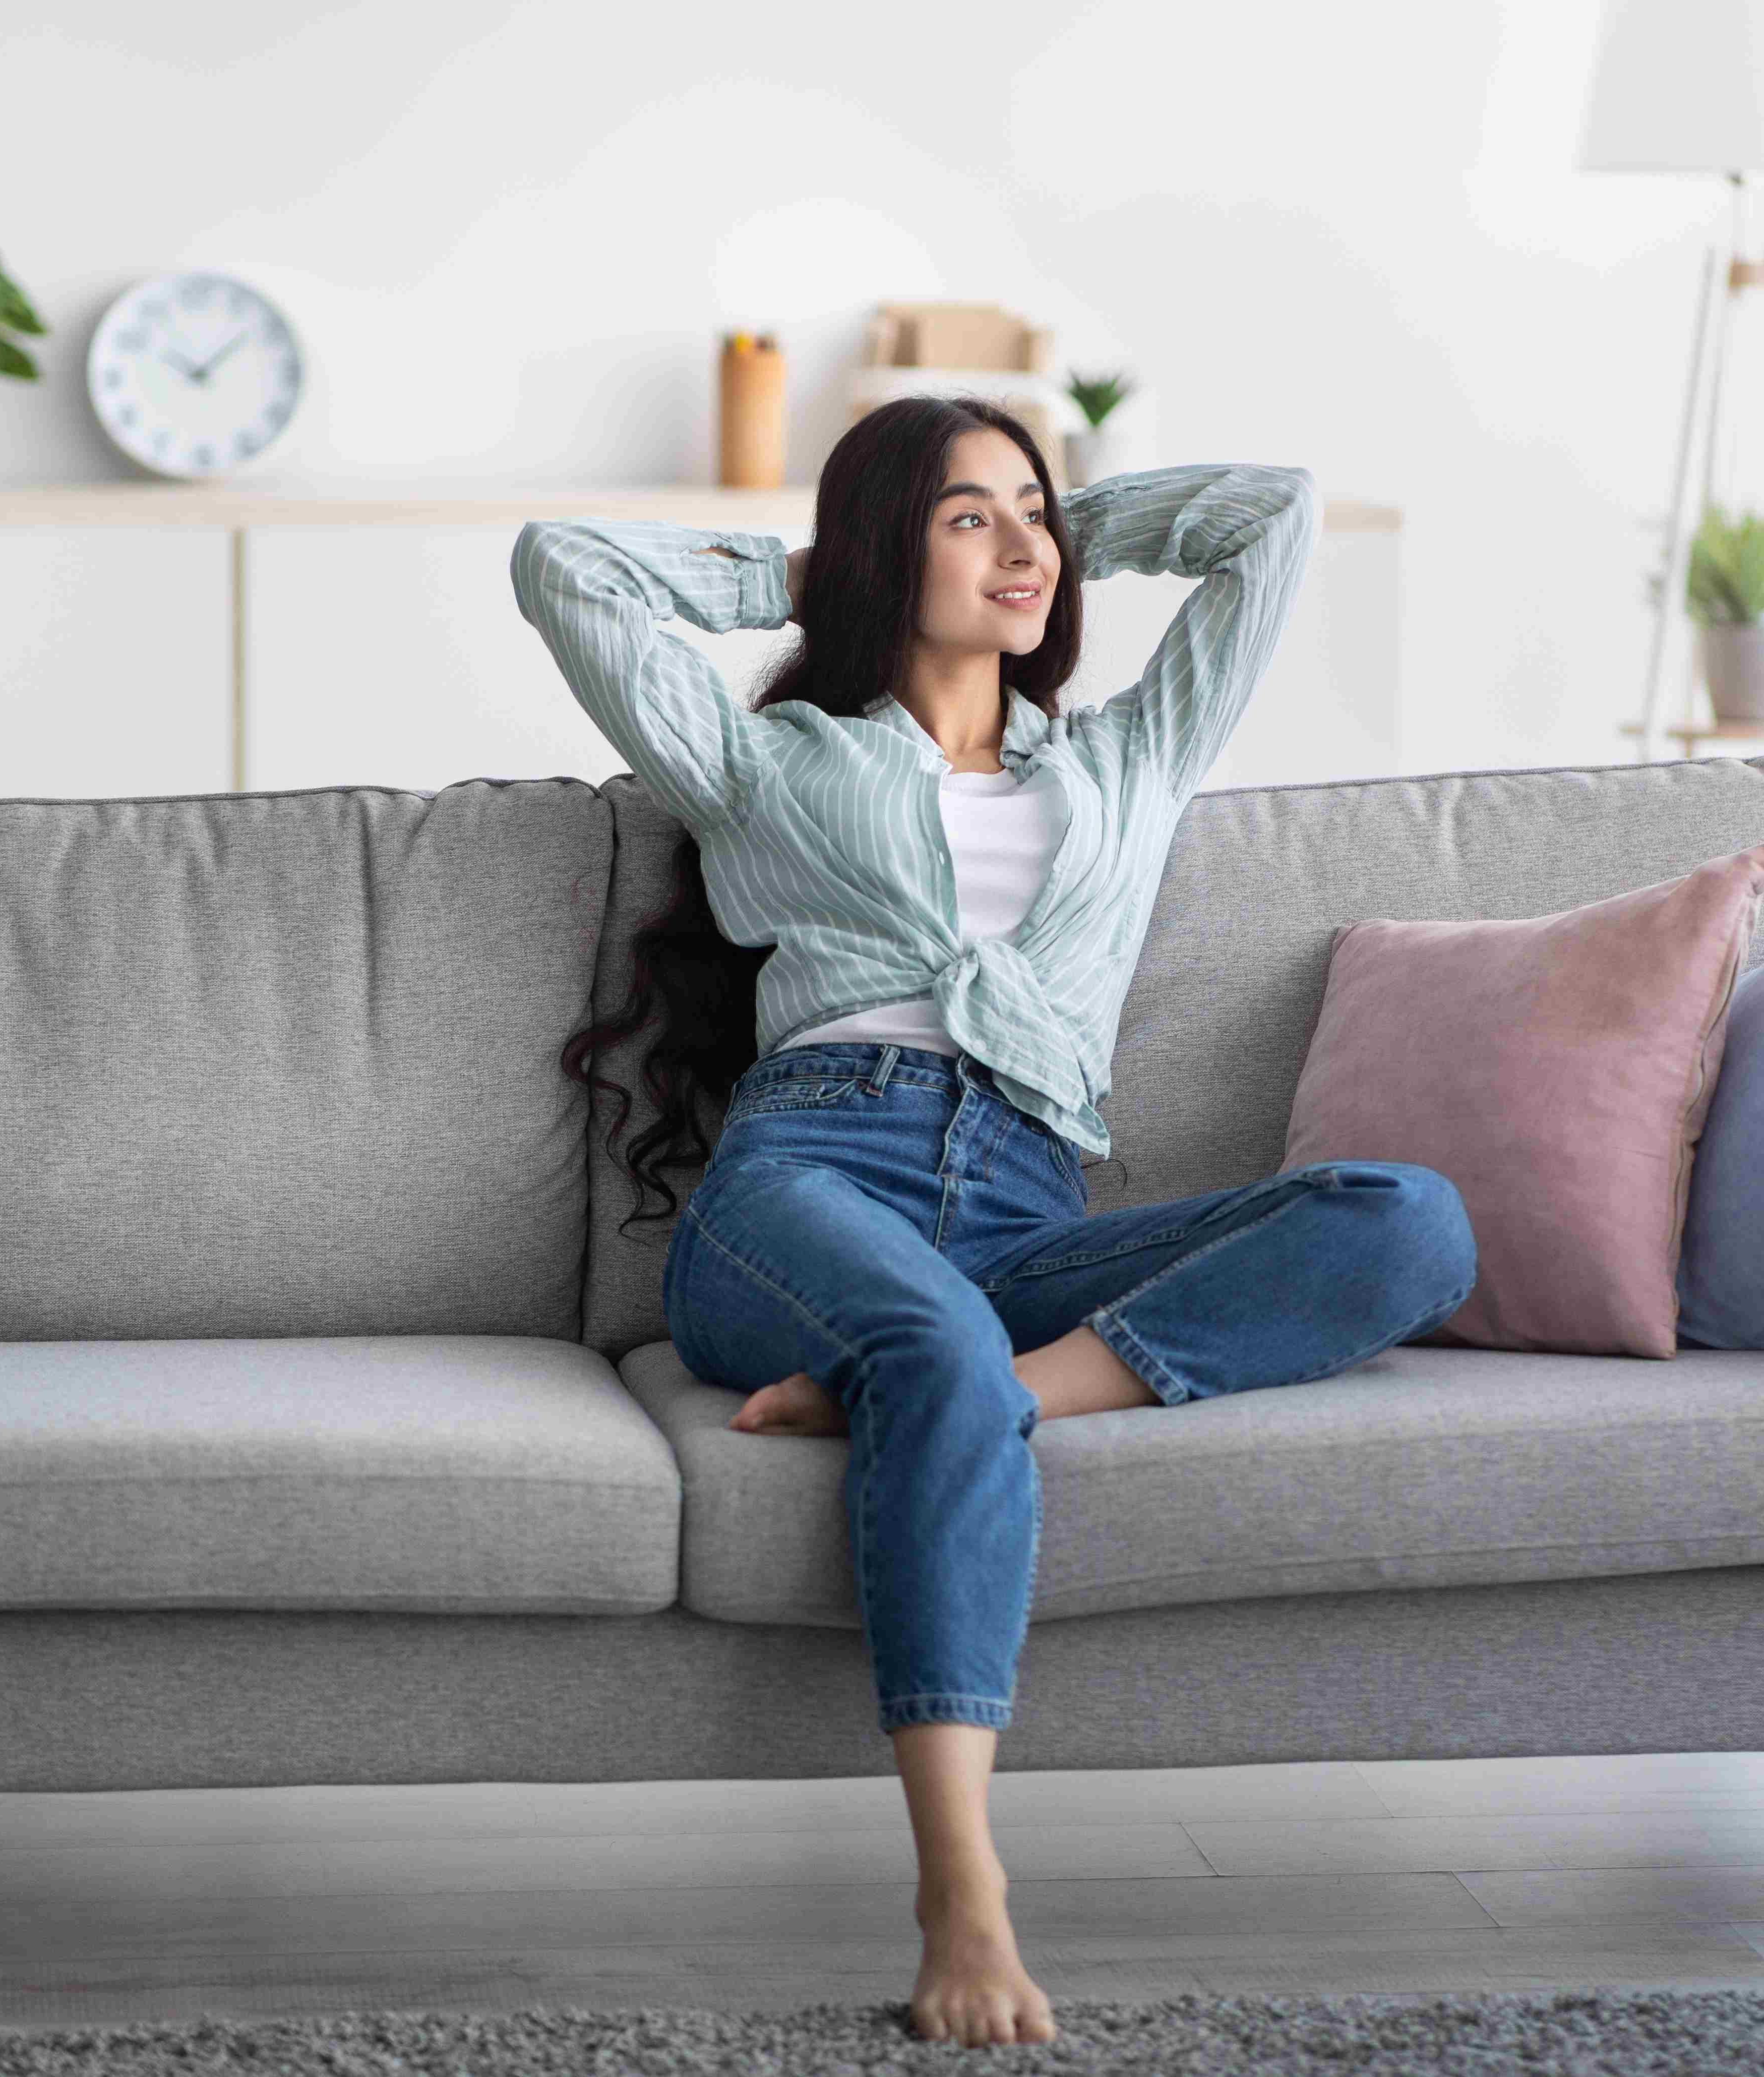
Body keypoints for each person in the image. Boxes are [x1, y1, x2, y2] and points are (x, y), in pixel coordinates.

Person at [511, 395, 1476, 2047]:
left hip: (1022, 1204)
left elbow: (1272, 514)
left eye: (1036, 513)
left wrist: (1058, 526)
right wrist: (822, 577)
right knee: (933, 1339)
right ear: (891, 549)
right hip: (807, 1179)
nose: (1025, 545)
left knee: (1409, 1222)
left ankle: (953, 1388)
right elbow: (564, 563)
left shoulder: (1126, 755)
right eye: (969, 517)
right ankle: (963, 1887)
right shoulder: (765, 761)